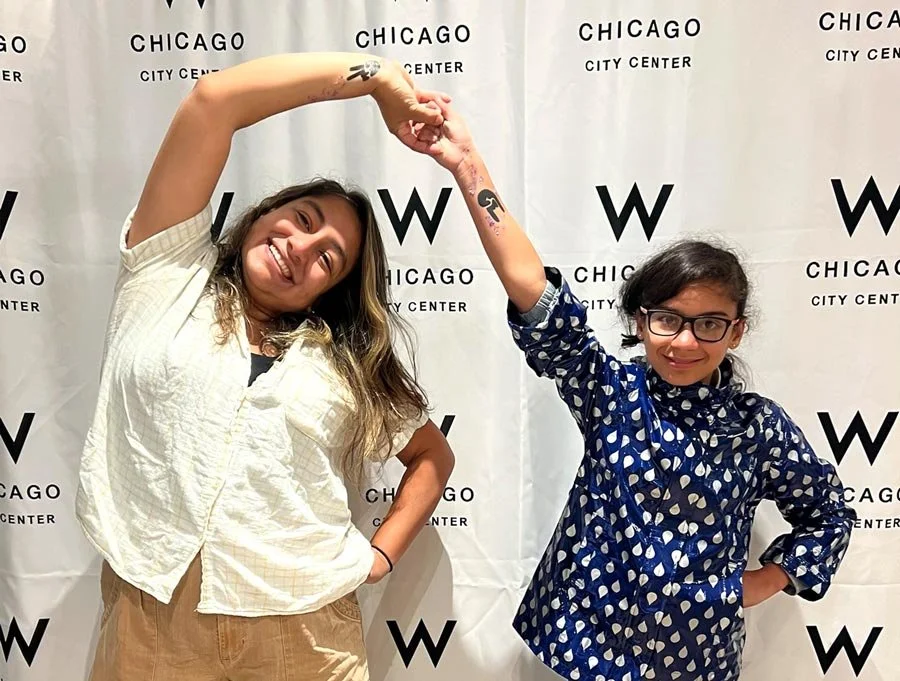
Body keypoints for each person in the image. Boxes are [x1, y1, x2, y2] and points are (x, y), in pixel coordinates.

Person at [401, 96, 856, 681]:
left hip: (696, 657)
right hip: (582, 646)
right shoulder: (610, 392)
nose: (685, 342)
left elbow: (829, 515)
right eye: (666, 319)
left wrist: (763, 582)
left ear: (736, 331)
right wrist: (467, 165)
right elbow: (533, 291)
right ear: (640, 322)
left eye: (709, 324)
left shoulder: (757, 427)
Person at [79, 53, 455, 681]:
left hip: (305, 633)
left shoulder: (342, 360)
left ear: (326, 292)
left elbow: (432, 456)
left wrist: (380, 559)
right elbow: (214, 102)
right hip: (153, 619)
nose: (300, 248)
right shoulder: (167, 272)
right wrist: (378, 80)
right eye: (303, 220)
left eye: (328, 259)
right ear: (262, 212)